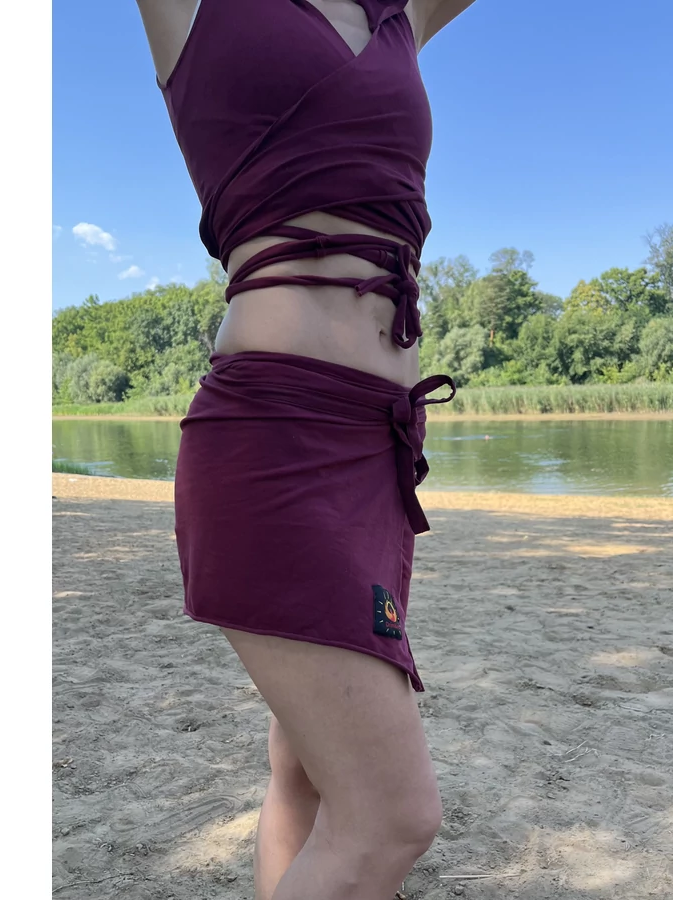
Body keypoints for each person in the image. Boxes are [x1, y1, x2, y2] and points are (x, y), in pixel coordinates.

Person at [134, 3, 478, 898]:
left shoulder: (397, 14)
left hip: (380, 449)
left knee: (305, 771)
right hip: (274, 431)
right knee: (390, 818)